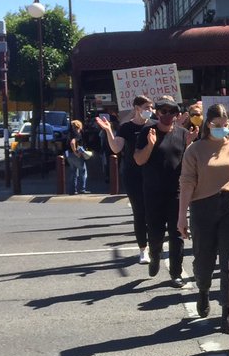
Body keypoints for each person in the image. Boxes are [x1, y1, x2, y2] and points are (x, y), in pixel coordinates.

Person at [178, 103, 229, 328]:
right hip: (202, 207)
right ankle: (203, 290)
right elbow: (186, 183)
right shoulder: (194, 150)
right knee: (203, 260)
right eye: (218, 125)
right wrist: (181, 217)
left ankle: (228, 310)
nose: (223, 129)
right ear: (208, 124)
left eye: (226, 125)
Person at [134, 95, 190, 288]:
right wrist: (150, 144)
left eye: (171, 112)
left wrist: (190, 144)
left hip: (176, 193)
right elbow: (139, 160)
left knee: (177, 234)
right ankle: (154, 254)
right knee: (156, 233)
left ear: (177, 114)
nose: (167, 115)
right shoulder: (146, 131)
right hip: (153, 192)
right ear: (157, 113)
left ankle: (176, 273)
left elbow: (187, 163)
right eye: (163, 111)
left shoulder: (183, 134)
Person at [96, 95, 153, 263]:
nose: (150, 111)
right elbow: (116, 148)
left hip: (152, 175)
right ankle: (143, 249)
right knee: (139, 212)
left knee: (153, 212)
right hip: (133, 175)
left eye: (151, 108)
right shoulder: (126, 128)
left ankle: (154, 244)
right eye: (147, 108)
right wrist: (108, 131)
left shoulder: (154, 125)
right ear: (137, 108)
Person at [64, 119, 90, 195]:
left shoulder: (69, 133)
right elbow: (73, 142)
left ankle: (72, 190)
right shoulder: (77, 133)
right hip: (76, 154)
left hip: (69, 155)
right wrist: (75, 152)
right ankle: (82, 188)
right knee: (83, 171)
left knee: (73, 172)